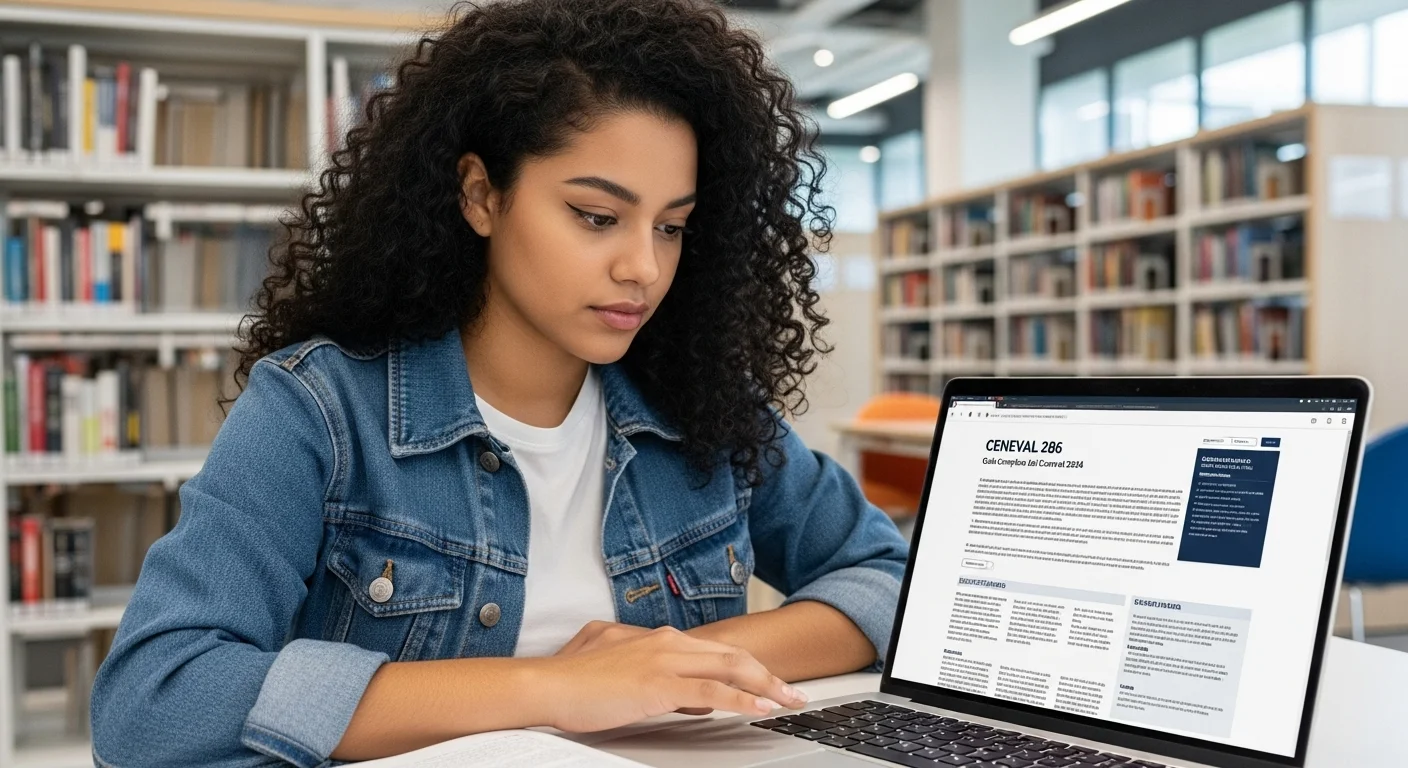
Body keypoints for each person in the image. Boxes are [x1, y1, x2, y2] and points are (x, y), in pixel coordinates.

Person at [90, 0, 909, 764]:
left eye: (671, 227)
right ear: (481, 195)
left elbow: (894, 581)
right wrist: (554, 687)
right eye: (596, 216)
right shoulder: (319, 410)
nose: (643, 267)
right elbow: (154, 701)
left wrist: (678, 666)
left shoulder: (703, 408)